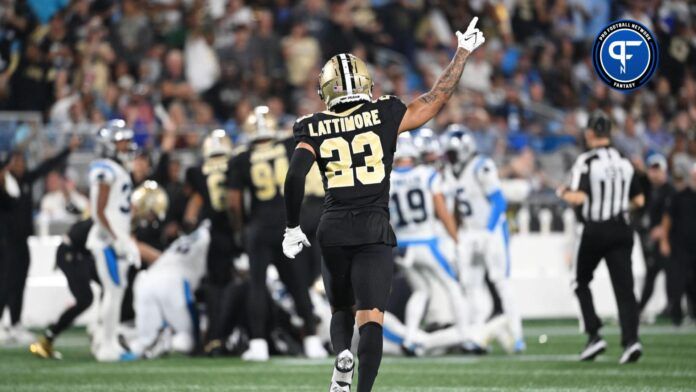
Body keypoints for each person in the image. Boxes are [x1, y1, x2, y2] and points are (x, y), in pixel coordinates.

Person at [282, 18, 485, 392]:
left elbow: (295, 176)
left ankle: (342, 354)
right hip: (374, 227)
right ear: (364, 82)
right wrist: (462, 53)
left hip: (334, 225)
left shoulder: (313, 125)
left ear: (326, 89)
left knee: (340, 310)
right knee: (371, 316)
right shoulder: (386, 113)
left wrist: (293, 227)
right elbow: (436, 97)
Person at [227, 106, 326, 361]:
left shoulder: (241, 158)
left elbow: (233, 203)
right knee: (298, 284)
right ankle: (312, 341)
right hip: (287, 224)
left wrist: (240, 228)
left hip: (259, 228)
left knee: (257, 286)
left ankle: (258, 343)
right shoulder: (287, 146)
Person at [557, 111, 645, 364]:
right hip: (621, 228)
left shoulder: (586, 161)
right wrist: (616, 205)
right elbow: (639, 200)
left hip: (595, 229)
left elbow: (580, 197)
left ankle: (594, 335)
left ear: (590, 133)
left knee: (580, 281)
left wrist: (562, 191)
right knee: (625, 289)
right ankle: (631, 341)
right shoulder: (624, 161)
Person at [442, 125, 524, 353]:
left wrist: (487, 232)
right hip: (469, 232)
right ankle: (474, 335)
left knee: (501, 282)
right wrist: (456, 236)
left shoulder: (482, 166)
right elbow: (456, 207)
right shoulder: (450, 172)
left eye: (452, 153)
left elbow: (499, 202)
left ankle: (517, 336)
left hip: (492, 230)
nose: (449, 158)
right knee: (470, 284)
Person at [388, 135, 468, 354]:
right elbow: (442, 211)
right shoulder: (427, 175)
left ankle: (411, 337)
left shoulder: (387, 179)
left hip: (402, 245)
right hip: (426, 241)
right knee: (453, 286)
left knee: (421, 291)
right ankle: (465, 335)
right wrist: (456, 238)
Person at [1, 134, 80, 344]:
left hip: (22, 242)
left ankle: (15, 323)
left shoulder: (26, 181)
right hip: (5, 243)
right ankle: (2, 323)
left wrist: (68, 149)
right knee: (5, 283)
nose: (20, 165)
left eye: (22, 161)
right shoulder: (4, 187)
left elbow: (47, 166)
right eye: (16, 162)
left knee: (19, 283)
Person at [86, 120, 141, 362]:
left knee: (116, 292)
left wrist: (126, 238)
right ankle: (106, 345)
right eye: (121, 140)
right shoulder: (104, 168)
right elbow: (99, 211)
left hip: (116, 238)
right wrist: (116, 239)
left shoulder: (117, 168)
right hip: (106, 240)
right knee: (113, 291)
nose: (127, 144)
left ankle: (107, 342)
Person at [184, 129, 239, 355]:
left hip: (210, 236)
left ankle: (213, 338)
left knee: (214, 288)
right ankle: (224, 336)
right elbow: (237, 201)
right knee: (231, 287)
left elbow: (191, 210)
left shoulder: (197, 171)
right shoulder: (235, 164)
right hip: (231, 231)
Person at [29, 219, 97, 359]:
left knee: (112, 288)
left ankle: (101, 332)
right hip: (72, 253)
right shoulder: (108, 213)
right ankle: (48, 338)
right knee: (85, 299)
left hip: (82, 254)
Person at [637, 154, 674, 317]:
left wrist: (663, 231)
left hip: (669, 240)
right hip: (654, 240)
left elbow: (674, 215)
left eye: (657, 170)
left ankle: (674, 308)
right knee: (657, 275)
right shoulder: (651, 189)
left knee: (675, 276)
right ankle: (672, 308)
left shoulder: (669, 191)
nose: (654, 173)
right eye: (652, 170)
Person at [660, 164, 696, 326]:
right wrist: (664, 241)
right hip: (680, 246)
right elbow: (667, 220)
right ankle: (676, 316)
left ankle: (693, 314)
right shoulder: (679, 196)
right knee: (678, 282)